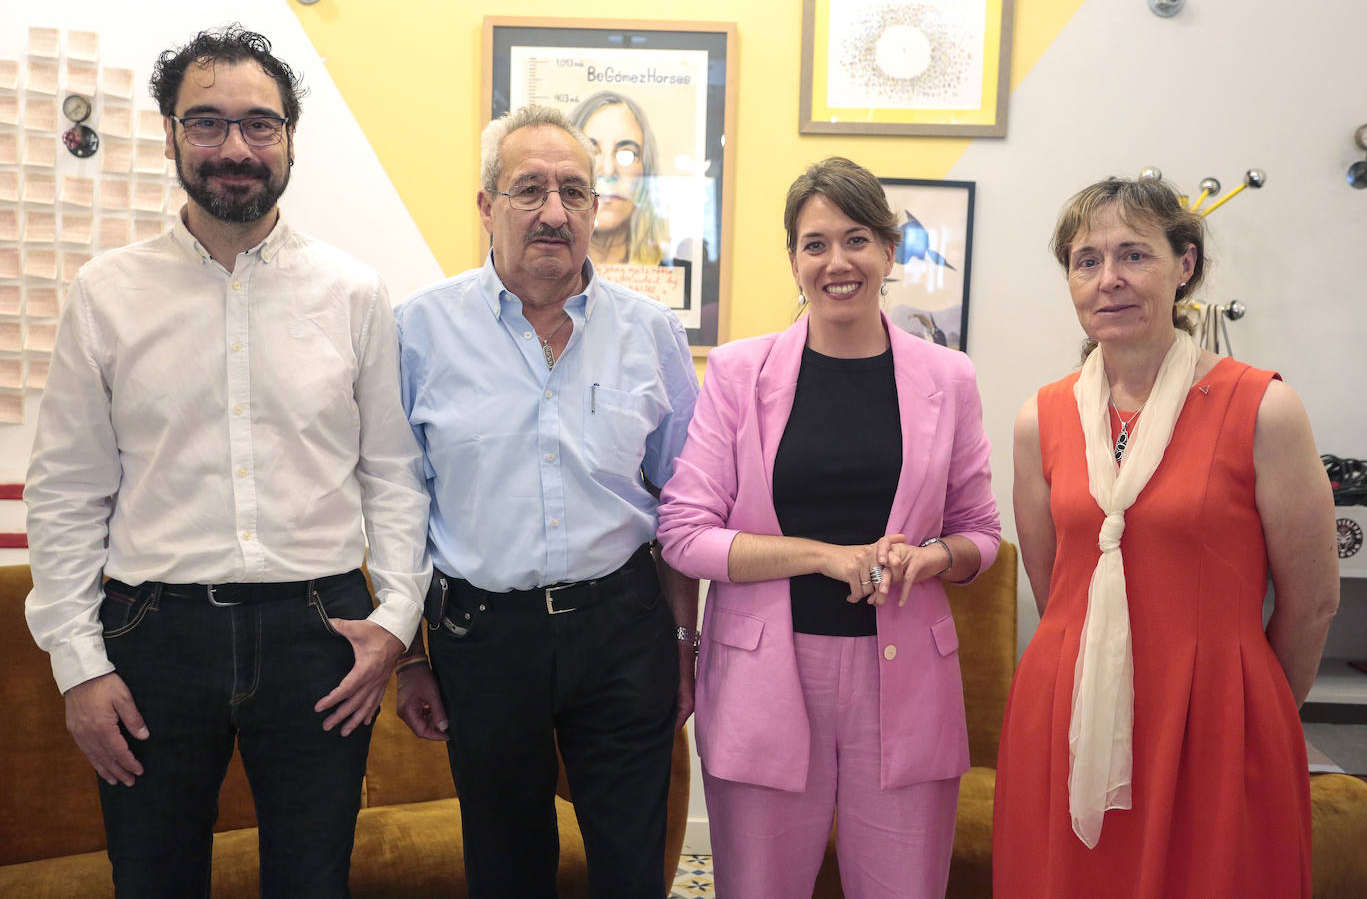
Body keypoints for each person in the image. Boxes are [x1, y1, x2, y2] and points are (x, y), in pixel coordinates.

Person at [22, 25, 431, 898]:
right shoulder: (106, 293)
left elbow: (393, 474)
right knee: (154, 879)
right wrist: (79, 666)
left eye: (260, 124)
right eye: (206, 123)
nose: (234, 148)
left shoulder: (354, 294)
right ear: (169, 134)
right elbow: (65, 494)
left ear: (289, 140)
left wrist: (396, 620)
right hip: (151, 640)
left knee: (313, 880)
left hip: (320, 636)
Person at [656, 157, 1001, 899]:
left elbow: (982, 536)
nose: (836, 262)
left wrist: (933, 557)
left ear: (889, 250)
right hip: (763, 676)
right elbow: (684, 533)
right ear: (793, 261)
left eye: (856, 240)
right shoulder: (739, 372)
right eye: (815, 245)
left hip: (907, 681)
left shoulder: (950, 378)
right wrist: (822, 557)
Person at [992, 177, 1339, 897]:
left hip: (1217, 716)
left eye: (1133, 255)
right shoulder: (1039, 419)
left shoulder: (1264, 408)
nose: (1108, 279)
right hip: (1068, 708)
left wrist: (1251, 709)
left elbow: (1311, 603)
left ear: (1184, 265)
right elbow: (1055, 583)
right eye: (1086, 260)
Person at [391, 104, 700, 898]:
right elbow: (396, 508)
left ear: (596, 208)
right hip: (484, 640)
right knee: (505, 866)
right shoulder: (417, 333)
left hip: (624, 633)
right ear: (487, 206)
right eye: (529, 189)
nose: (554, 212)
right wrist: (413, 654)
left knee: (635, 864)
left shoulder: (651, 333)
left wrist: (684, 642)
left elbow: (682, 505)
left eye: (573, 191)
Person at [569, 90, 670, 267]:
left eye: (627, 154)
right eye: (591, 152)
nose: (608, 171)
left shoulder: (673, 271)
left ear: (645, 166)